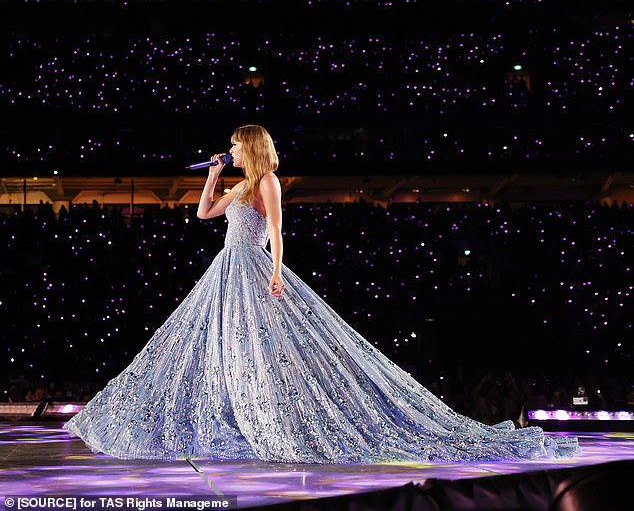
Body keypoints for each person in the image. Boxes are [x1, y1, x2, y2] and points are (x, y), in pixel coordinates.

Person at [64, 124, 579, 462]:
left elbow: (279, 233)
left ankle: (274, 420)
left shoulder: (267, 183)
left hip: (253, 267)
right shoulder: (240, 185)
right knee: (225, 348)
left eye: (236, 146)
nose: (232, 150)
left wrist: (277, 271)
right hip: (225, 270)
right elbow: (203, 214)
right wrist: (214, 176)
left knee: (259, 349)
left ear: (253, 147)